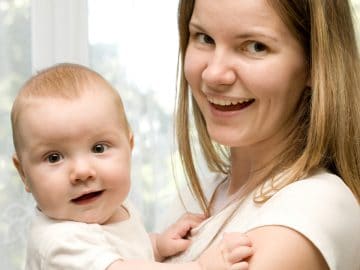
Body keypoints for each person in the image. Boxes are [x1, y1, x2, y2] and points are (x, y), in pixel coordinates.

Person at [165, 1, 360, 270]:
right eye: (205, 38)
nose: (214, 74)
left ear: (315, 63)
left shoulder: (314, 208)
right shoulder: (195, 197)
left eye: (256, 46)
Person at [10, 63, 253, 270]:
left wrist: (157, 245)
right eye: (54, 157)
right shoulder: (59, 242)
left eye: (98, 148)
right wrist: (199, 267)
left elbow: (121, 251)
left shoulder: (114, 207)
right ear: (23, 174)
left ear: (129, 146)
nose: (82, 172)